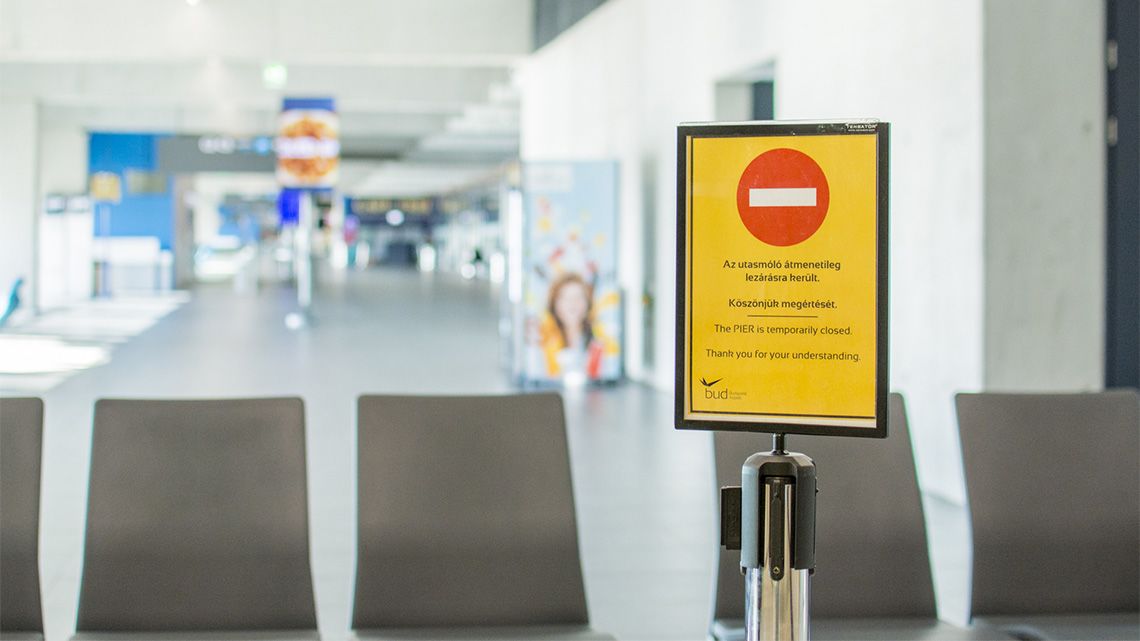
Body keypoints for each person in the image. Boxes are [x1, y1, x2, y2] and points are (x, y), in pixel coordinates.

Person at [541, 272, 604, 381]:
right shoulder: (543, 342)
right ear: (554, 304)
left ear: (588, 303)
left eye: (578, 297)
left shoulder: (599, 342)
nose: (572, 304)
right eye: (565, 298)